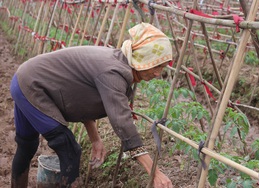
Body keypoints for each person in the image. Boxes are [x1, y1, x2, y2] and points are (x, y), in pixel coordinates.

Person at [10, 22, 173, 188]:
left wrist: (95, 139)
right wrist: (155, 172)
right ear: (143, 57)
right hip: (33, 88)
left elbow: (82, 98)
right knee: (69, 149)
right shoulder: (113, 72)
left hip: (25, 80)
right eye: (156, 65)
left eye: (163, 67)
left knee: (27, 145)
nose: (157, 73)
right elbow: (122, 123)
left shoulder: (116, 61)